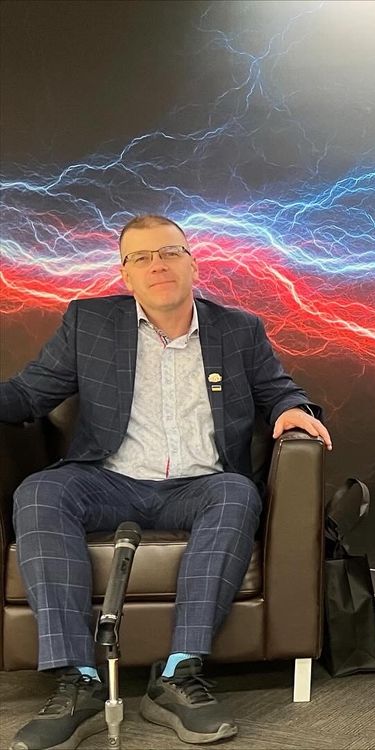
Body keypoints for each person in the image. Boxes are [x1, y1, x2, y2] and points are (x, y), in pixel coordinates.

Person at [2, 215, 332, 750]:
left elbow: (279, 389)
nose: (157, 265)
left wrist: (293, 410)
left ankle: (178, 675)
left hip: (199, 487)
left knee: (237, 492)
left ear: (192, 263)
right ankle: (78, 682)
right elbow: (29, 395)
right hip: (107, 480)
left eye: (170, 253)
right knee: (39, 492)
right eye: (141, 257)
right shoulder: (89, 323)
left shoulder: (238, 329)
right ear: (125, 274)